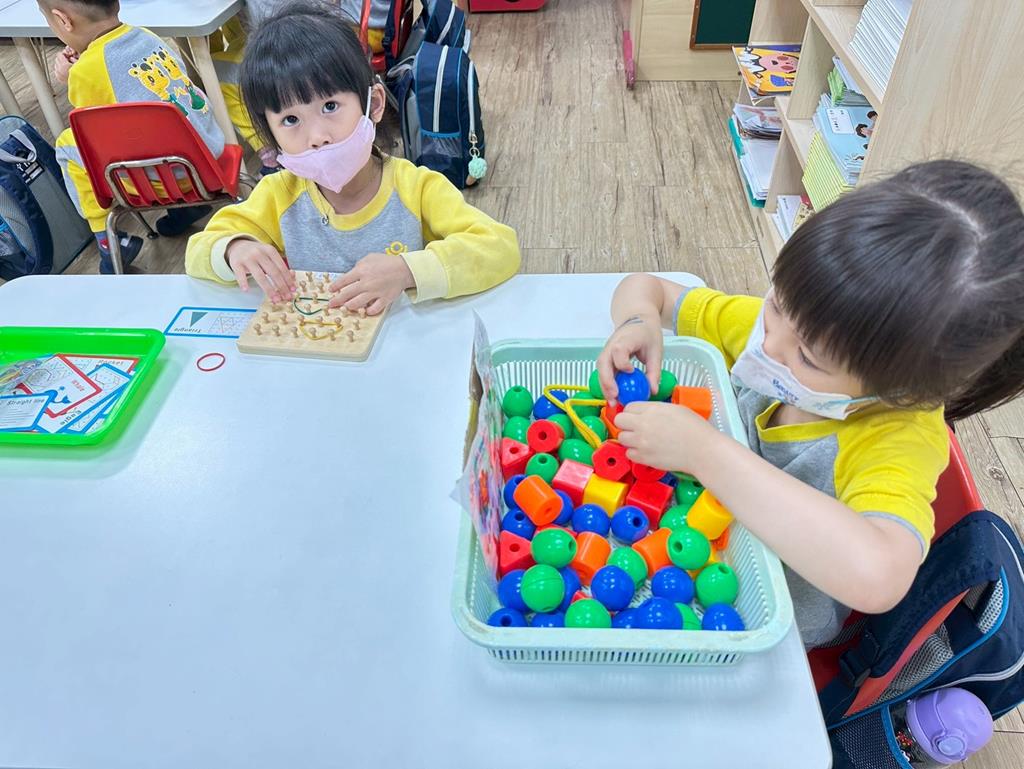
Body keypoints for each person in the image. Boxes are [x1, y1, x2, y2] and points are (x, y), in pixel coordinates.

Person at [596, 160, 1024, 647]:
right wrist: (637, 322)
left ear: (902, 389)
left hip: (761, 618)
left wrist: (705, 453)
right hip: (687, 536)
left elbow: (879, 577)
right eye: (777, 303)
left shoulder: (896, 438)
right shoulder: (794, 329)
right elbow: (647, 287)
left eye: (809, 358)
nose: (769, 344)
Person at [186, 2, 519, 314]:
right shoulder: (278, 195)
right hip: (321, 347)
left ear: (374, 105)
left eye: (330, 106)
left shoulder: (415, 187)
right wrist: (234, 248)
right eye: (290, 120)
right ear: (270, 137)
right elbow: (198, 251)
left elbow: (499, 247)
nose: (317, 137)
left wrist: (407, 271)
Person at [39, 0, 226, 273]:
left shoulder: (86, 71)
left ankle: (109, 241)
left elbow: (90, 130)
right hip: (206, 163)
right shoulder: (147, 35)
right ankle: (183, 209)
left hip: (166, 181)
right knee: (154, 117)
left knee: (68, 145)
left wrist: (72, 77)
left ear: (63, 20)